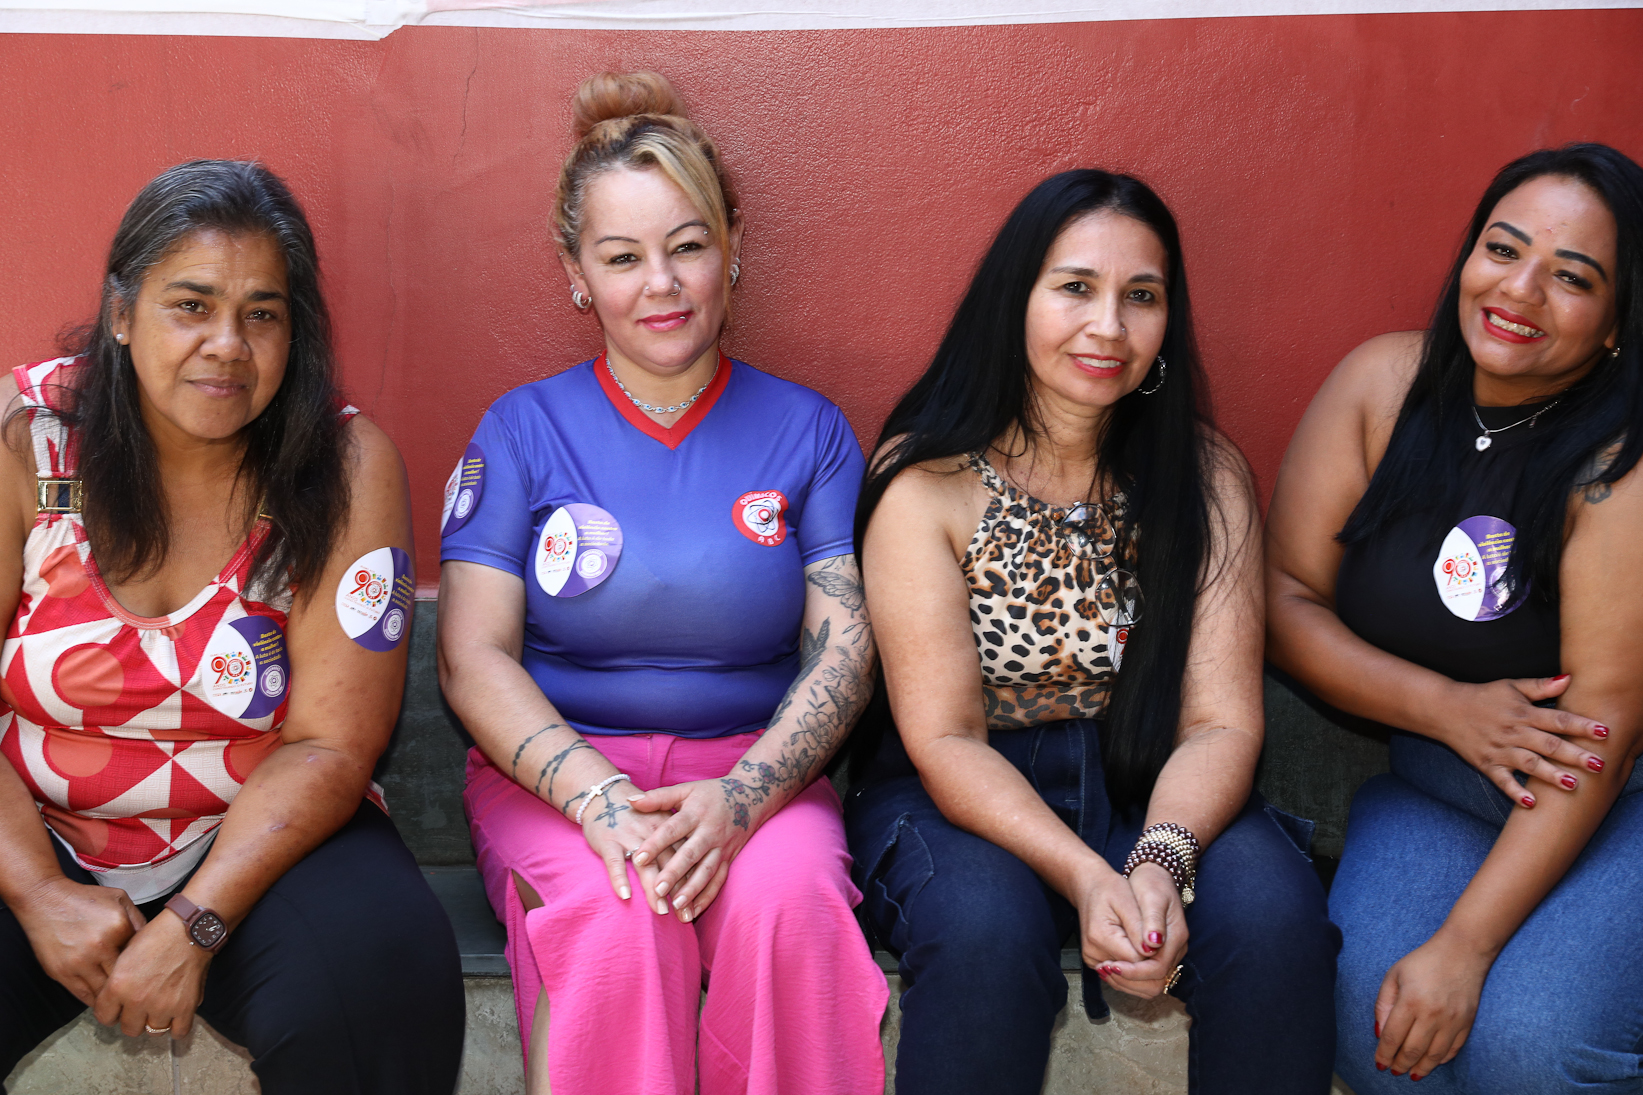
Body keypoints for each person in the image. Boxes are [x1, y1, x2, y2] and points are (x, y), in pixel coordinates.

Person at [437, 71, 888, 1095]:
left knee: (791, 905)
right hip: (554, 777)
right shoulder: (519, 431)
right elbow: (470, 658)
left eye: (688, 246)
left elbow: (845, 649)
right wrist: (596, 799)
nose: (663, 283)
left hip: (758, 775)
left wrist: (738, 800)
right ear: (574, 274)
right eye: (622, 257)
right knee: (616, 910)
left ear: (734, 249)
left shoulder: (809, 431)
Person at [845, 168, 1339, 1095]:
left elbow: (1223, 721)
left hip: (1153, 778)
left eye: (1140, 296)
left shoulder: (1204, 475)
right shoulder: (926, 479)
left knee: (1275, 920)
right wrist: (1084, 873)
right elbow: (944, 735)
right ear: (1014, 300)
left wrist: (1157, 857)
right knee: (986, 935)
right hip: (959, 791)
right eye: (1074, 287)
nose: (1107, 326)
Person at [0, 160, 464, 1093]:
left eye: (262, 313)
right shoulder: (31, 434)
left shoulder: (344, 464)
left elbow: (334, 741)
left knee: (383, 976)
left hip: (251, 834)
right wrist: (38, 890)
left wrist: (196, 923)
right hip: (34, 826)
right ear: (122, 314)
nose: (227, 344)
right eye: (191, 304)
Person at [1266, 142, 1643, 1091]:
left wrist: (1467, 947)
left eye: (1572, 277)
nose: (1519, 290)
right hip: (1439, 785)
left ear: (1612, 325)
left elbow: (1601, 734)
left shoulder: (1618, 465)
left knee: (1531, 1045)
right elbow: (1283, 598)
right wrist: (1443, 707)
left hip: (1612, 802)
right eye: (1501, 249)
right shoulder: (1379, 390)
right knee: (1369, 1020)